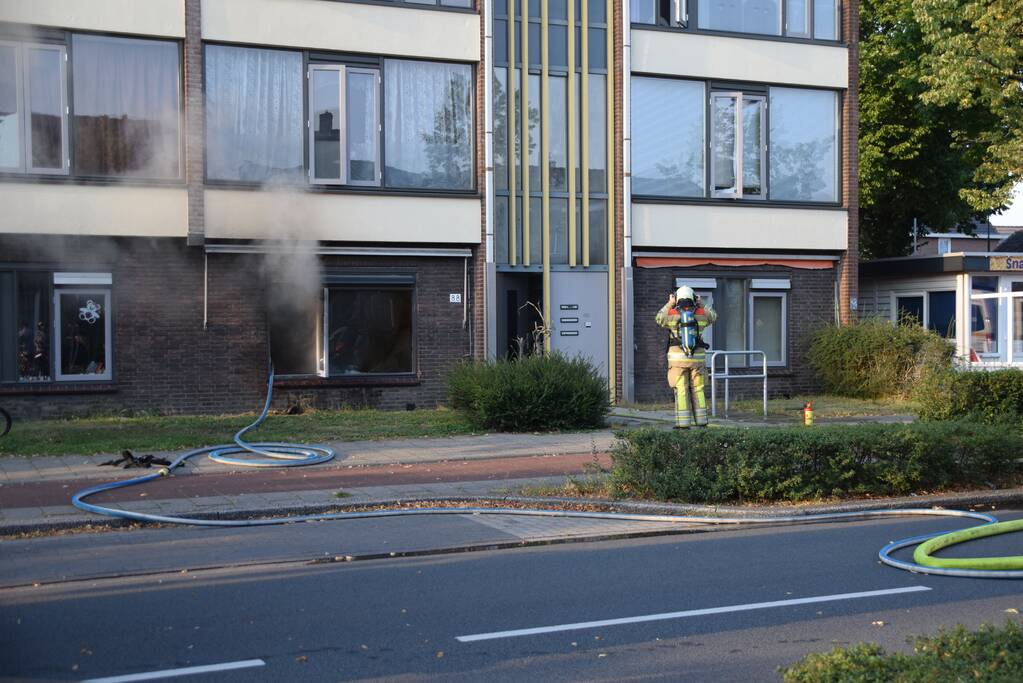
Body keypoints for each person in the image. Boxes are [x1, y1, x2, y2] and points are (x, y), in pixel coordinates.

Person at [655, 286, 717, 428]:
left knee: (681, 389)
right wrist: (701, 304)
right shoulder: (701, 314)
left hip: (677, 361)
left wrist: (670, 303)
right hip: (697, 360)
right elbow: (713, 316)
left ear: (677, 298)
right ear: (693, 298)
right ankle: (701, 421)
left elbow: (659, 318)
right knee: (698, 389)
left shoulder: (672, 314)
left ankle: (683, 423)